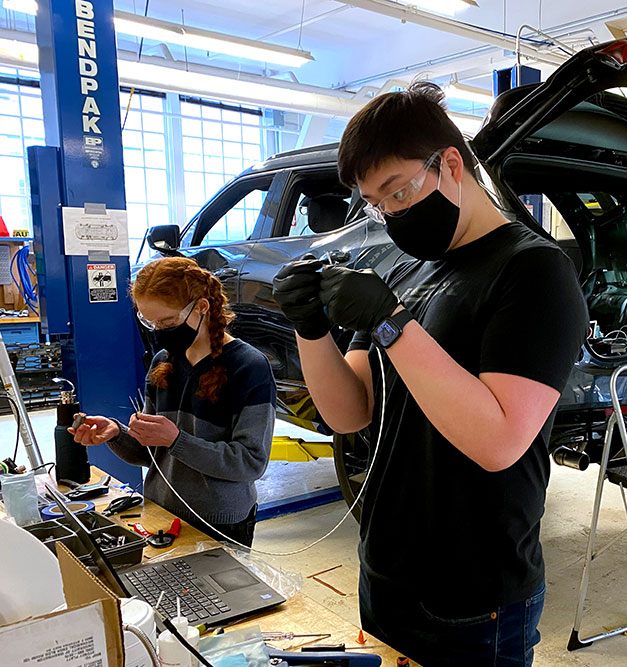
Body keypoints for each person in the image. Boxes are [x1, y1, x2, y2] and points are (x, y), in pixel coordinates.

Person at [273, 82, 588, 666]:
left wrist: (392, 325)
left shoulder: (534, 272)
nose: (390, 214)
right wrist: (309, 327)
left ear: (449, 164)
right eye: (376, 203)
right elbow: (350, 412)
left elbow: (499, 441)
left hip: (472, 595)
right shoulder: (403, 268)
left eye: (398, 191)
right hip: (384, 569)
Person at [71, 257, 276, 547]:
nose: (159, 330)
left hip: (219, 521)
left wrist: (176, 439)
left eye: (168, 322)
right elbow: (153, 453)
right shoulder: (163, 361)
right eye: (150, 322)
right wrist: (117, 434)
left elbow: (249, 463)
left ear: (202, 307)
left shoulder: (248, 366)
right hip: (161, 513)